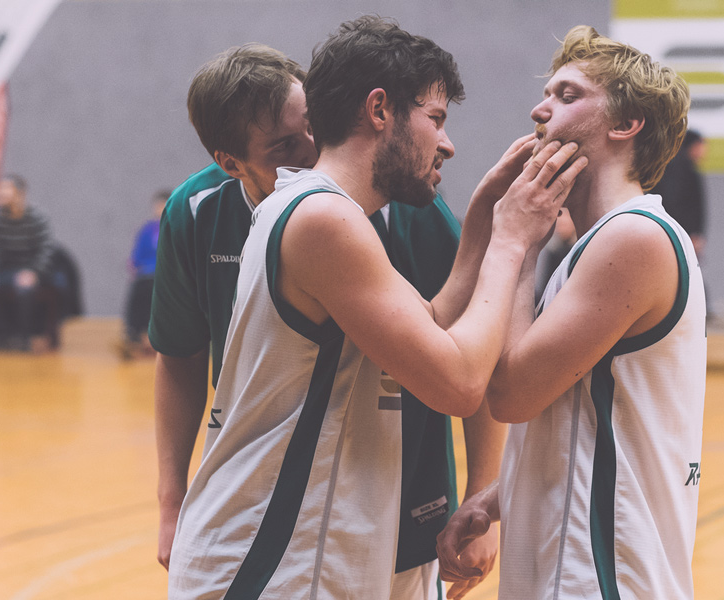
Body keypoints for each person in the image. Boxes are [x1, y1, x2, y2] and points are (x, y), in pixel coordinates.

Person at [149, 42, 507, 598]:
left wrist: (489, 221)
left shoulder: (386, 204)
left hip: (370, 506)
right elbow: (460, 379)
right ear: (230, 162)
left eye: (313, 127)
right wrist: (512, 242)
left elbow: (446, 323)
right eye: (284, 145)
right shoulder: (300, 215)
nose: (314, 150)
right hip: (279, 534)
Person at [437, 25, 704, 600]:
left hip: (600, 575)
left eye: (567, 95)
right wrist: (497, 495)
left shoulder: (633, 237)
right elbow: (586, 414)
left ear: (624, 124)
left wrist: (518, 243)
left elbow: (511, 395)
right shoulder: (594, 246)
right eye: (547, 94)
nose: (540, 110)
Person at [0, 175, 59, 352]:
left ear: (19, 194)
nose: (2, 193)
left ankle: (24, 336)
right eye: (1, 189)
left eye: (6, 188)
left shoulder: (37, 218)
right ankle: (1, 334)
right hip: (6, 270)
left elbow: (46, 251)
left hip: (33, 270)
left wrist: (33, 272)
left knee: (24, 290)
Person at [117, 189, 167, 359]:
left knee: (154, 295)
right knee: (137, 295)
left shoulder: (174, 227)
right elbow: (136, 256)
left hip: (164, 274)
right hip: (145, 274)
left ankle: (153, 338)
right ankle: (133, 337)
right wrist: (133, 265)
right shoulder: (147, 229)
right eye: (157, 205)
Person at [650, 128, 706, 255]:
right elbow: (680, 203)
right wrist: (691, 233)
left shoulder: (672, 165)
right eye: (701, 145)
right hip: (679, 234)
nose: (703, 152)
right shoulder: (683, 169)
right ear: (692, 145)